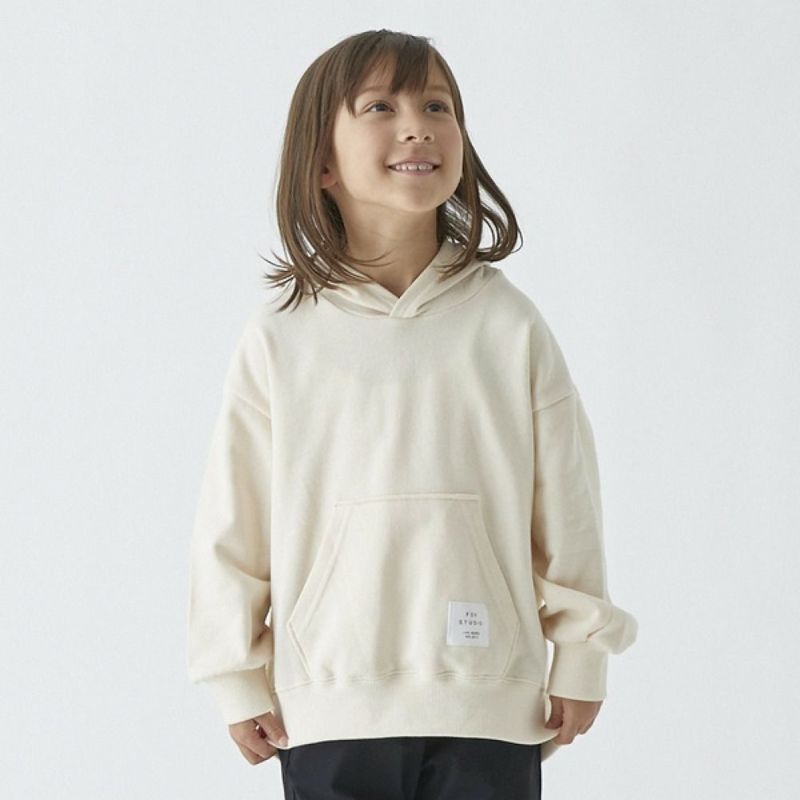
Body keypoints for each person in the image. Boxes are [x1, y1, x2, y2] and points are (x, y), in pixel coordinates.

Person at [186, 28, 638, 799]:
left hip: (489, 697)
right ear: (321, 163)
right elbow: (235, 522)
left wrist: (583, 653)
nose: (417, 126)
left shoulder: (508, 325)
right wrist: (235, 673)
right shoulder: (280, 338)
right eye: (380, 107)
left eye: (437, 106)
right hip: (329, 701)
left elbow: (567, 503)